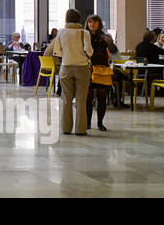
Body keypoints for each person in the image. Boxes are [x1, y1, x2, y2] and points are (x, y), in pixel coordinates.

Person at [49, 8, 93, 136]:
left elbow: (57, 51)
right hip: (82, 67)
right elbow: (89, 51)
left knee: (66, 99)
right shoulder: (84, 33)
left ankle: (66, 128)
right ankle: (80, 129)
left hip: (66, 67)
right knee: (81, 99)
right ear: (79, 19)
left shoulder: (61, 32)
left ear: (66, 19)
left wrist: (68, 54)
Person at [84, 14, 116, 132]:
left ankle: (100, 123)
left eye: (95, 22)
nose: (92, 24)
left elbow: (114, 51)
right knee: (88, 98)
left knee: (102, 97)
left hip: (102, 69)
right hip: (88, 69)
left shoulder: (104, 36)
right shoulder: (83, 35)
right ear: (87, 23)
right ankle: (87, 123)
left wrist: (110, 42)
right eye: (90, 22)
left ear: (99, 24)